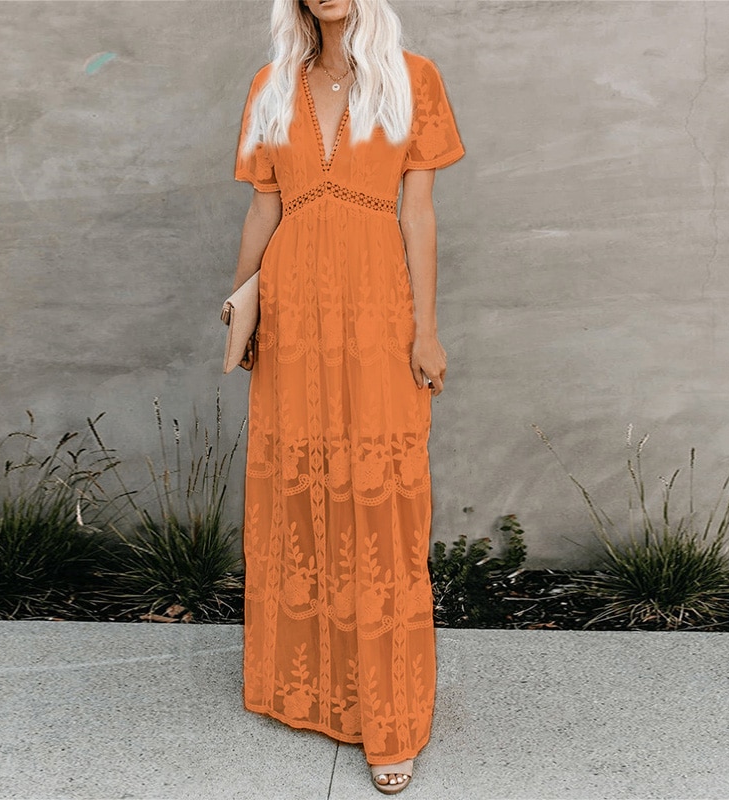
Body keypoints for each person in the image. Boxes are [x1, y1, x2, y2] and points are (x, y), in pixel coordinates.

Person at [228, 0, 464, 793]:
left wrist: (426, 330)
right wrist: (240, 307)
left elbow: (419, 213)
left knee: (379, 501)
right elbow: (264, 207)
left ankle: (388, 716)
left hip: (376, 306)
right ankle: (308, 689)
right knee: (303, 491)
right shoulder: (270, 84)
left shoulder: (413, 78)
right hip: (291, 307)